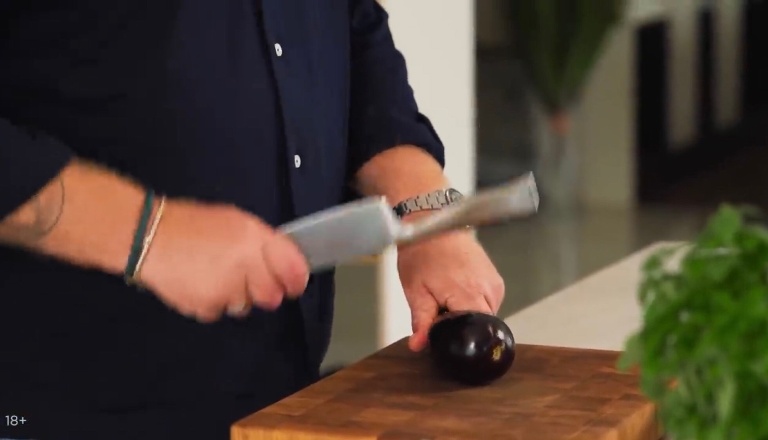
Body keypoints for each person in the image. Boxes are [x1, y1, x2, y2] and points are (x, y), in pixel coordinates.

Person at [0, 2, 505, 439]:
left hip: (277, 392)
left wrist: (424, 208)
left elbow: (348, 24)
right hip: (62, 397)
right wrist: (146, 234)